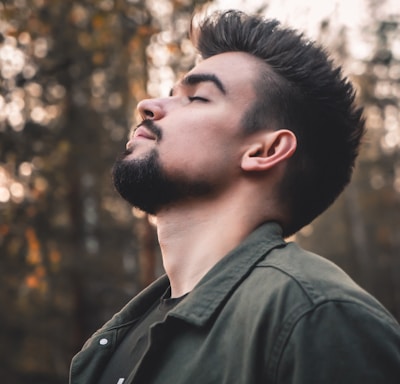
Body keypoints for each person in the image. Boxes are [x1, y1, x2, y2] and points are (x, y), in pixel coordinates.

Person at [69, 9, 400, 384]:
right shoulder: (115, 347)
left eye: (196, 98)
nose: (149, 105)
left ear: (264, 151)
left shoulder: (318, 318)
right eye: (171, 93)